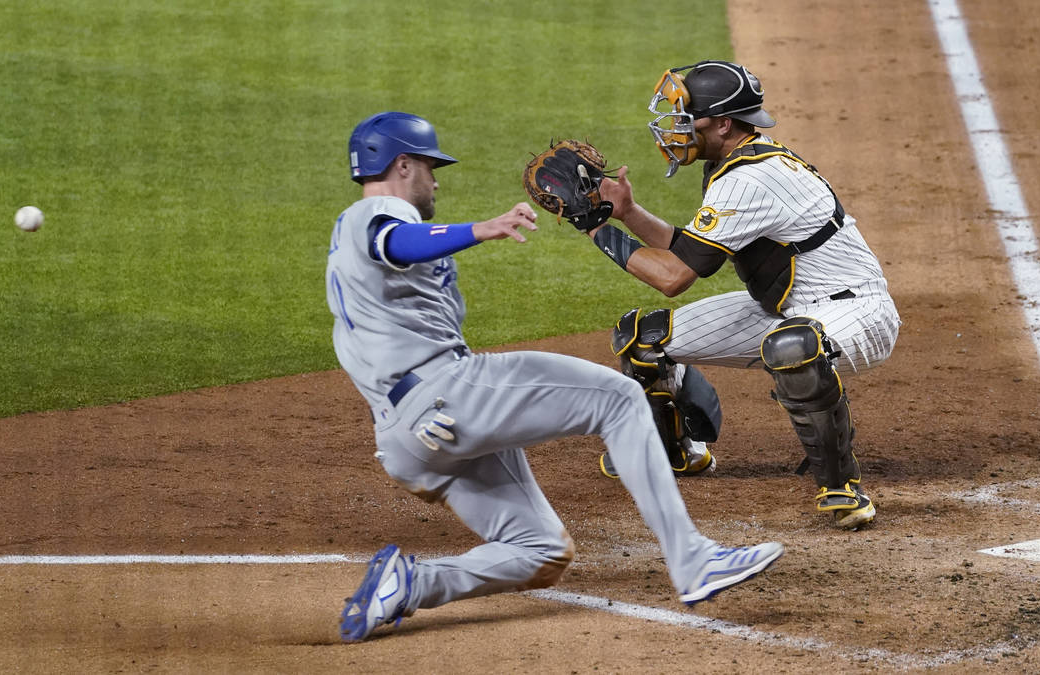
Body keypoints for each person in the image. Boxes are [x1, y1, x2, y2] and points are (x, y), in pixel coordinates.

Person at [328, 111, 783, 643]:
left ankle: (410, 584)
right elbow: (396, 241)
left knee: (539, 552)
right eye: (429, 166)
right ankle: (694, 561)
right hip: (444, 393)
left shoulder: (351, 244)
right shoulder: (375, 216)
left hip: (407, 438)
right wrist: (483, 229)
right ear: (401, 164)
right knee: (618, 397)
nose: (435, 179)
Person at [585, 61, 901, 530]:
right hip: (787, 307)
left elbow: (674, 277)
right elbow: (691, 251)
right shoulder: (732, 162)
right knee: (644, 339)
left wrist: (594, 229)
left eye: (689, 117)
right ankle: (675, 454)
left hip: (856, 309)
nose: (677, 128)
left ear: (724, 123)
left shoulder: (751, 178)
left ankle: (842, 487)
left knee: (794, 349)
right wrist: (626, 213)